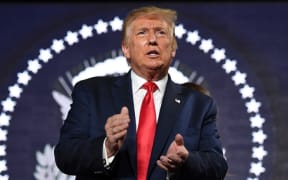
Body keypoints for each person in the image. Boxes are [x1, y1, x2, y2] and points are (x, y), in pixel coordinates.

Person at [54, 6, 228, 180]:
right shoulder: (91, 93)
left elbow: (217, 166)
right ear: (126, 49)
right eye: (142, 33)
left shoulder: (199, 105)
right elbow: (65, 155)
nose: (152, 40)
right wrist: (107, 147)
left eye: (161, 33)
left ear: (173, 49)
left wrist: (187, 160)